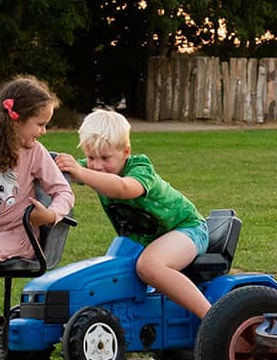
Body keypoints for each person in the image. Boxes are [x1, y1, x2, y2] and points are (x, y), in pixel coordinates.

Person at [53, 108, 211, 319]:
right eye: (91, 157)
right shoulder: (91, 169)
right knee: (110, 271)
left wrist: (81, 172)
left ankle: (211, 317)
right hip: (142, 241)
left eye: (105, 157)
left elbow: (124, 188)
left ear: (125, 152)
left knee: (149, 266)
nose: (97, 166)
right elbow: (59, 171)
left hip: (187, 229)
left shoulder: (140, 167)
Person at [0, 76, 75, 314]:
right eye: (40, 124)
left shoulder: (35, 153)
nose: (43, 131)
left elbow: (63, 191)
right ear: (17, 120)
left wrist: (50, 215)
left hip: (15, 235)